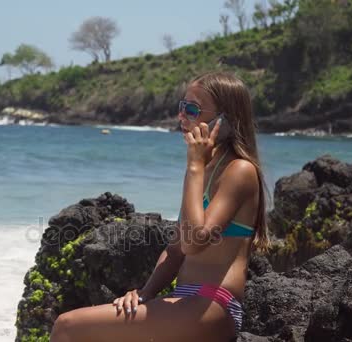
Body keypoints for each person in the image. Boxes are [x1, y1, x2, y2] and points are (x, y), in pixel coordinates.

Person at [50, 71, 270, 342]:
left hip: (213, 304)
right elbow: (176, 250)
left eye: (192, 109)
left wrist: (193, 166)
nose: (182, 116)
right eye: (182, 106)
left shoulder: (240, 170)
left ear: (224, 120)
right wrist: (145, 293)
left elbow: (194, 243)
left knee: (67, 327)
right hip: (182, 301)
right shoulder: (203, 169)